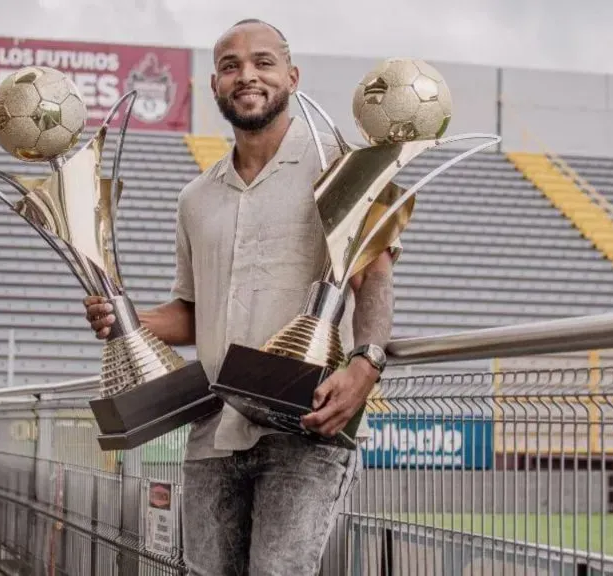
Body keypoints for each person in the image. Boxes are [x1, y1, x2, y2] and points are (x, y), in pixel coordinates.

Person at [83, 18, 397, 576]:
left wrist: (365, 366)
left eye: (262, 62)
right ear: (214, 86)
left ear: (292, 76)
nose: (246, 76)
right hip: (213, 430)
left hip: (305, 425)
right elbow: (192, 312)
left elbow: (371, 277)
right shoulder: (195, 198)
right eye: (230, 66)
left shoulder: (340, 166)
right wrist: (128, 319)